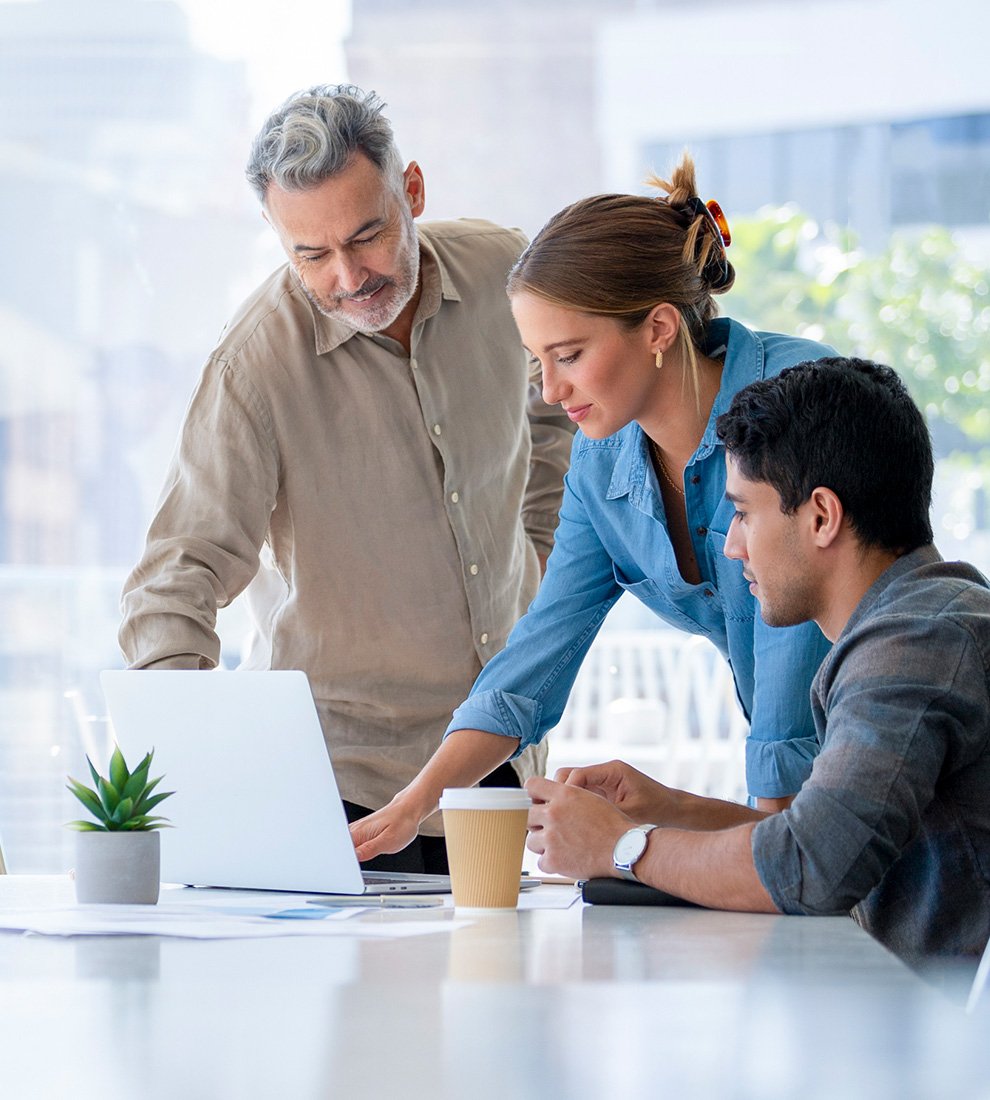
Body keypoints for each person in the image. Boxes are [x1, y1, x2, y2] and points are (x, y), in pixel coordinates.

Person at [118, 85, 574, 873]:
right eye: (311, 254)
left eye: (367, 236)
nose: (348, 277)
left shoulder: (508, 269)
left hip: (497, 762)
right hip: (343, 791)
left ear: (414, 192)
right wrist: (204, 781)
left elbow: (557, 409)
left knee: (501, 991)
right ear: (275, 235)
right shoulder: (254, 367)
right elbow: (174, 581)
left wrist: (535, 549)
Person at [351, 155, 835, 865]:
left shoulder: (797, 404)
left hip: (891, 770)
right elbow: (534, 660)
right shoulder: (603, 462)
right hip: (812, 811)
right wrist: (411, 807)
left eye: (570, 355)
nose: (550, 392)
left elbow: (791, 688)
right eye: (537, 362)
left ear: (660, 328)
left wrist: (738, 859)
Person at [526, 357, 990, 968]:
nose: (732, 545)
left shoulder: (918, 640)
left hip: (938, 1042)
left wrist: (622, 846)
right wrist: (668, 810)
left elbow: (813, 866)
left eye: (744, 513)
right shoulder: (914, 620)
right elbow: (835, 838)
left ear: (821, 516)